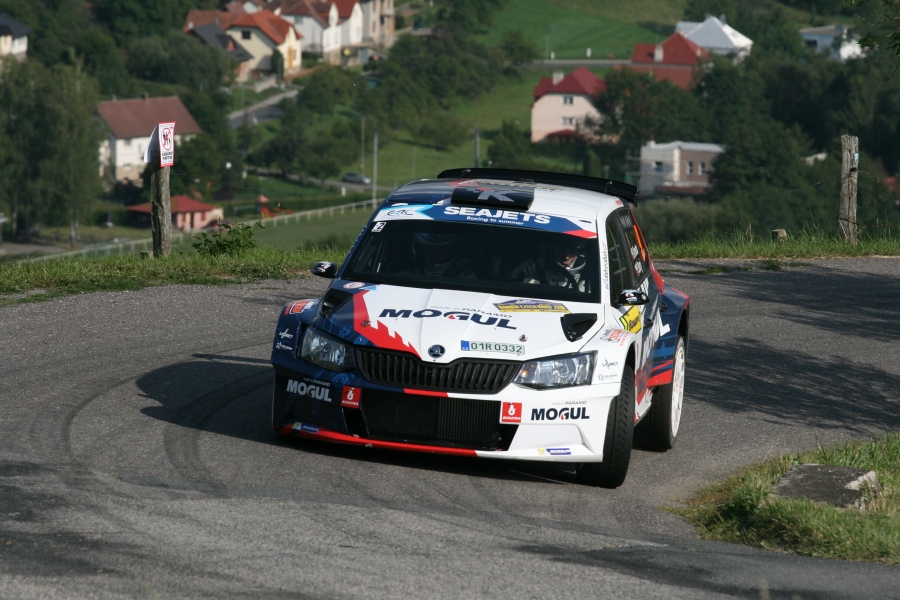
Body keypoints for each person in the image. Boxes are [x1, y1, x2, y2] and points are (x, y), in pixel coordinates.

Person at [510, 240, 588, 291]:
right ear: (553, 251)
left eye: (572, 252)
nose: (566, 257)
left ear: (579, 255)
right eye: (562, 250)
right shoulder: (532, 268)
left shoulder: (585, 278)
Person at [406, 232, 477, 278]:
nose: (435, 252)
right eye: (430, 248)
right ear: (421, 250)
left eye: (441, 248)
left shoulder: (466, 274)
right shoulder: (409, 272)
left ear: (451, 250)